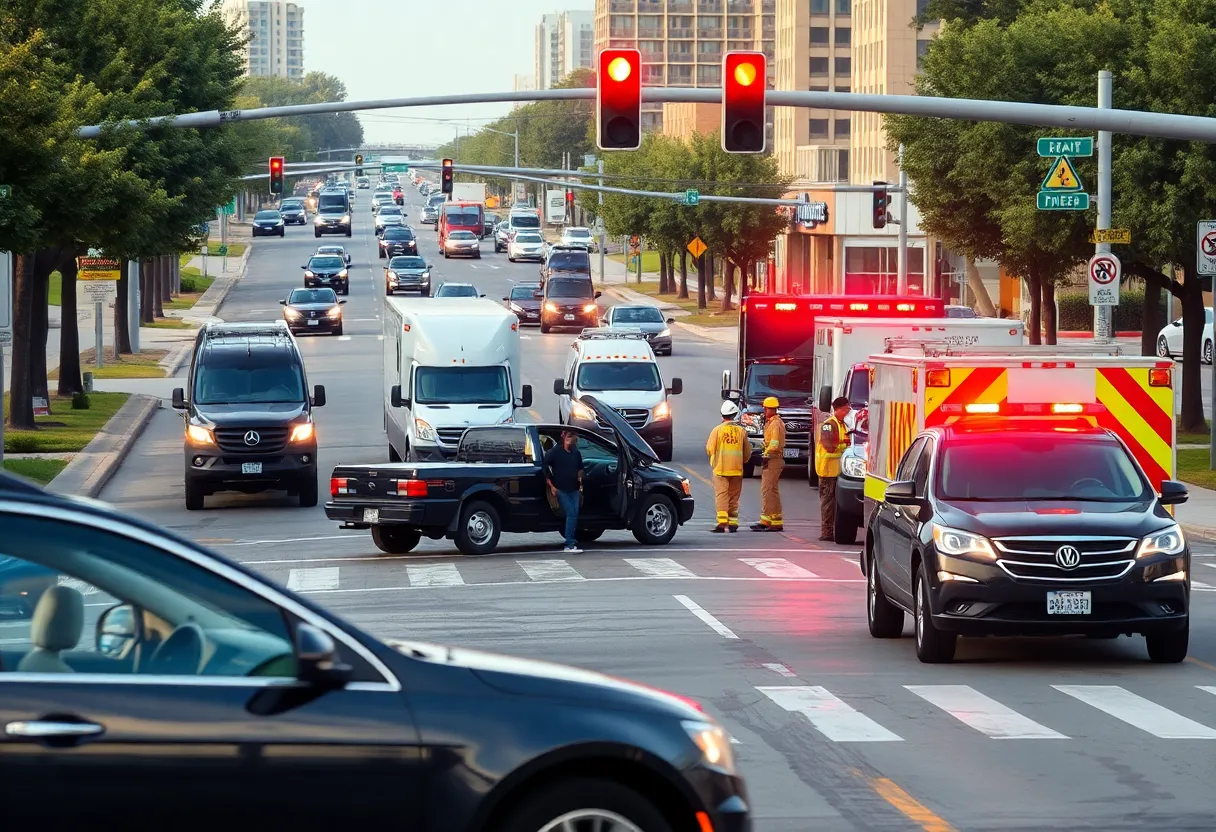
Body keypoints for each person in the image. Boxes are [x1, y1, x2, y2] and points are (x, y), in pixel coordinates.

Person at [706, 401, 750, 532]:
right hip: (737, 469)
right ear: (735, 415)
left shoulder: (717, 430)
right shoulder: (742, 431)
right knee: (734, 497)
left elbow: (709, 449)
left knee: (722, 495)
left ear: (722, 415)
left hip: (721, 469)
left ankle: (722, 522)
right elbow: (747, 452)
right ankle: (733, 523)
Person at [816, 396, 852, 542]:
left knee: (835, 503)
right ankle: (826, 531)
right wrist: (846, 446)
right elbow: (829, 447)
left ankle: (831, 530)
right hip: (827, 470)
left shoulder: (842, 424)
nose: (847, 411)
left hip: (837, 470)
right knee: (828, 502)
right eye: (845, 409)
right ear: (837, 409)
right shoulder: (828, 425)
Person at [545, 430, 585, 554]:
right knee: (571, 513)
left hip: (573, 489)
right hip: (560, 489)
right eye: (568, 436)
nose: (570, 439)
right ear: (563, 437)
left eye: (572, 436)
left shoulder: (576, 453)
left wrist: (580, 480)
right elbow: (544, 466)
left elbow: (580, 468)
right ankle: (569, 543)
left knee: (574, 513)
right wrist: (551, 486)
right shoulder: (555, 453)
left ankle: (570, 539)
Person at [751, 396, 786, 532]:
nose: (764, 410)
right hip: (771, 459)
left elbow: (775, 443)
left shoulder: (776, 424)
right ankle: (770, 520)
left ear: (772, 409)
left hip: (773, 459)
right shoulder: (771, 423)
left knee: (768, 491)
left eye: (766, 408)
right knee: (771, 491)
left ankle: (771, 523)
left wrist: (764, 454)